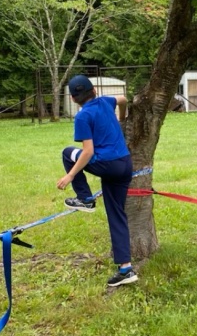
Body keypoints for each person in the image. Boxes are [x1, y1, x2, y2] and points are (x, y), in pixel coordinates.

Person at [56, 75, 137, 287]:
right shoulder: (106, 101)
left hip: (107, 165)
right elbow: (123, 99)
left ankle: (85, 198)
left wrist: (70, 175)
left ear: (73, 99)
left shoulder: (83, 116)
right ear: (94, 91)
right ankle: (125, 269)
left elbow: (88, 152)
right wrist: (122, 118)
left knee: (67, 153)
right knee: (117, 214)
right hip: (125, 163)